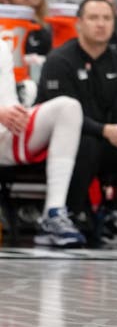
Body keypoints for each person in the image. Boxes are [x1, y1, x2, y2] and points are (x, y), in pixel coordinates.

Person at [37, 0, 117, 246]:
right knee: (86, 142)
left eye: (107, 18)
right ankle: (66, 215)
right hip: (59, 143)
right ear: (79, 24)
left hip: (105, 138)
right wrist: (104, 130)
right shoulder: (59, 61)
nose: (101, 24)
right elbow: (62, 116)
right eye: (94, 18)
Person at [0, 40, 86, 247]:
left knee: (68, 107)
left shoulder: (1, 47)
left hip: (4, 137)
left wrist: (15, 113)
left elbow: (7, 98)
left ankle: (53, 214)